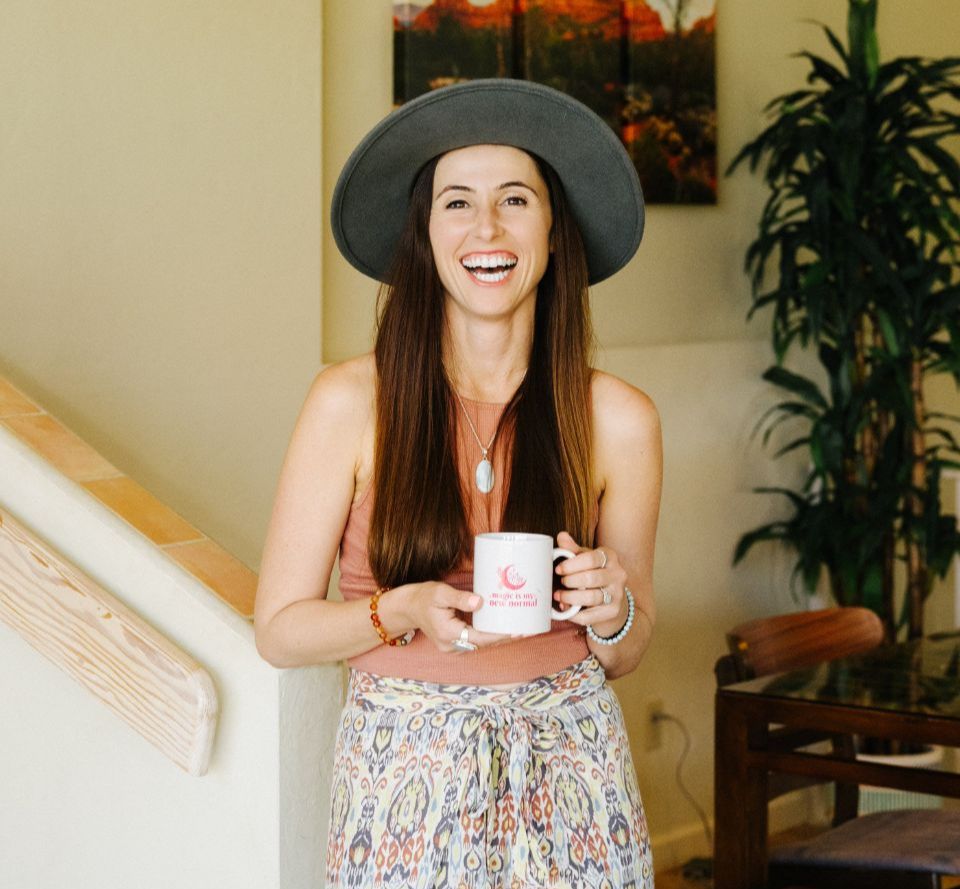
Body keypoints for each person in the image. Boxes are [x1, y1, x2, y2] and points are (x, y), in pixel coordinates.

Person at [254, 79, 662, 889]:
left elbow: (627, 648)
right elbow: (279, 630)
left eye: (515, 199)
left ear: (554, 230)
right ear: (425, 232)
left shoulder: (619, 419)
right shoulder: (349, 401)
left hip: (575, 771)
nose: (487, 228)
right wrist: (398, 610)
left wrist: (612, 610)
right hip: (401, 777)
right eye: (457, 203)